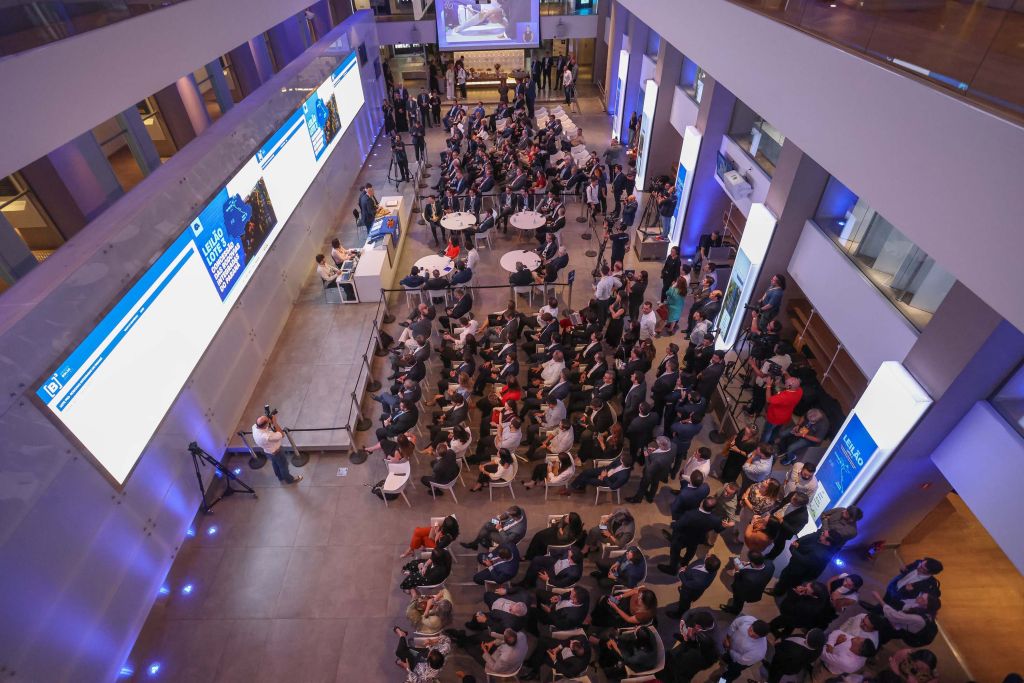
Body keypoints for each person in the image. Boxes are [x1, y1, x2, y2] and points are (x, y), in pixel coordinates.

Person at [658, 497, 734, 575]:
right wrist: (724, 526)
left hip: (682, 537)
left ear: (702, 503)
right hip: (697, 539)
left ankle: (672, 569)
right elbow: (718, 530)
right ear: (713, 509)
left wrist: (673, 523)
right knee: (691, 551)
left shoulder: (690, 514)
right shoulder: (715, 520)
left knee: (675, 552)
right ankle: (684, 563)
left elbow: (677, 526)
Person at [770, 529, 841, 596]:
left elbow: (803, 561)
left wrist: (793, 549)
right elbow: (811, 538)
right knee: (786, 579)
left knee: (786, 579)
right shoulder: (823, 543)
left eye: (823, 535)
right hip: (801, 567)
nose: (821, 534)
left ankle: (778, 592)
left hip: (798, 572)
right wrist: (798, 543)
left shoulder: (820, 554)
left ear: (828, 542)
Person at [252, 412, 303, 485]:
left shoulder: (254, 427)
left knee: (275, 464)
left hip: (268, 452)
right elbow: (282, 434)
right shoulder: (267, 436)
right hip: (277, 452)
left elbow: (264, 427)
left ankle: (280, 477)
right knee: (283, 466)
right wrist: (275, 423)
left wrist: (268, 422)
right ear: (266, 424)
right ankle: (289, 480)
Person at [665, 555, 720, 619]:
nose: (707, 556)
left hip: (689, 593)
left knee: (684, 604)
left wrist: (681, 572)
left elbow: (686, 583)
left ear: (706, 564)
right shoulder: (712, 567)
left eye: (707, 558)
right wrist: (687, 568)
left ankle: (680, 615)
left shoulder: (701, 581)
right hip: (691, 585)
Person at [720, 616, 770, 682]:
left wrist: (730, 649)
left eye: (754, 636)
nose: (750, 633)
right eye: (750, 629)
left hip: (739, 663)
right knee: (727, 659)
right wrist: (728, 637)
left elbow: (741, 660)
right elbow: (734, 625)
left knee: (731, 672)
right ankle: (726, 663)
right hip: (731, 647)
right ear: (752, 624)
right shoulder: (748, 619)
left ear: (761, 637)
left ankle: (722, 681)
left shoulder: (759, 652)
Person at [461, 506, 527, 550]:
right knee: (487, 525)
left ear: (514, 517)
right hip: (504, 527)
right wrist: (500, 517)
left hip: (507, 537)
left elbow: (507, 540)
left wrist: (500, 529)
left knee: (489, 533)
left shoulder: (518, 530)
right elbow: (506, 514)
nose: (507, 514)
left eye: (509, 515)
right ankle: (475, 544)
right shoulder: (520, 510)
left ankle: (485, 545)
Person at [763, 376, 803, 443]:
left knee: (767, 432)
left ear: (789, 386)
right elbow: (789, 387)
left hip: (775, 417)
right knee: (775, 431)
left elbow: (768, 399)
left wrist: (768, 386)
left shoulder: (784, 397)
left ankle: (762, 445)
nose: (784, 383)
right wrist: (779, 384)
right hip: (785, 417)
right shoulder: (799, 390)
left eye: (785, 383)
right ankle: (770, 442)